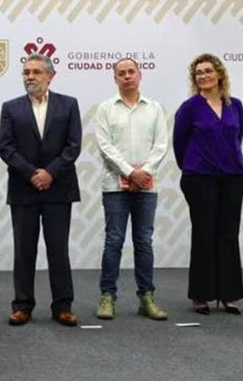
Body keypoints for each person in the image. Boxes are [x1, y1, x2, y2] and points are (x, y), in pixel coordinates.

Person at [0, 53, 82, 326]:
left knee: (58, 250)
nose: (30, 77)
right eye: (26, 72)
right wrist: (32, 173)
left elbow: (73, 146)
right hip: (24, 189)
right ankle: (22, 305)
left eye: (36, 72)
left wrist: (50, 173)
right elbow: (6, 149)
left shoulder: (69, 105)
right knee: (24, 251)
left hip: (59, 189)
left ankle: (63, 306)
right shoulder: (10, 108)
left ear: (50, 76)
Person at [172, 54, 243, 315]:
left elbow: (238, 137)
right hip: (199, 178)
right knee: (204, 234)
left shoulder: (235, 106)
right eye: (198, 73)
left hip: (233, 178)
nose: (203, 76)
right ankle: (201, 295)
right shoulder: (189, 107)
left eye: (207, 71)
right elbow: (179, 145)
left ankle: (229, 295)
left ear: (219, 74)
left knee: (228, 234)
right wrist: (195, 167)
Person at [93, 58, 169, 321]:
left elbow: (161, 145)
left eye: (131, 72)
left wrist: (144, 172)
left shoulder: (155, 108)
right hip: (115, 186)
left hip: (147, 187)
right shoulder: (105, 109)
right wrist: (129, 172)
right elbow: (105, 146)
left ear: (140, 75)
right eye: (121, 73)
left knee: (144, 242)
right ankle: (107, 297)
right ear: (115, 79)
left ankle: (146, 297)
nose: (127, 76)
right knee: (114, 240)